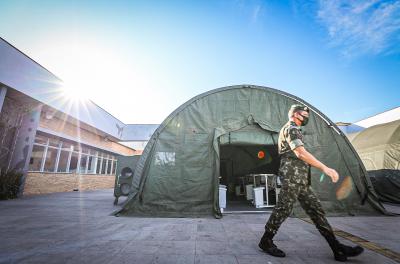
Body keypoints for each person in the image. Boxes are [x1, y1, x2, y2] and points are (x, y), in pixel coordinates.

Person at [258, 104, 364, 262]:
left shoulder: (295, 129)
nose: (306, 117)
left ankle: (337, 248)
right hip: (292, 177)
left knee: (316, 211)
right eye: (303, 114)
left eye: (307, 115)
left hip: (301, 180)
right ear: (294, 114)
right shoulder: (291, 128)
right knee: (283, 209)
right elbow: (300, 153)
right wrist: (325, 168)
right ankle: (266, 241)